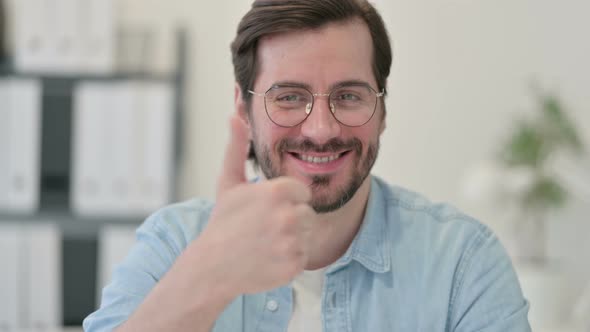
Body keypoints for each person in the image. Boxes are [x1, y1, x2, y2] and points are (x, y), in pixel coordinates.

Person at [84, 0, 531, 331]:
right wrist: (207, 275)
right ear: (244, 109)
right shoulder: (175, 244)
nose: (320, 129)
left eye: (349, 96)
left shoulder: (462, 263)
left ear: (383, 111)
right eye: (289, 97)